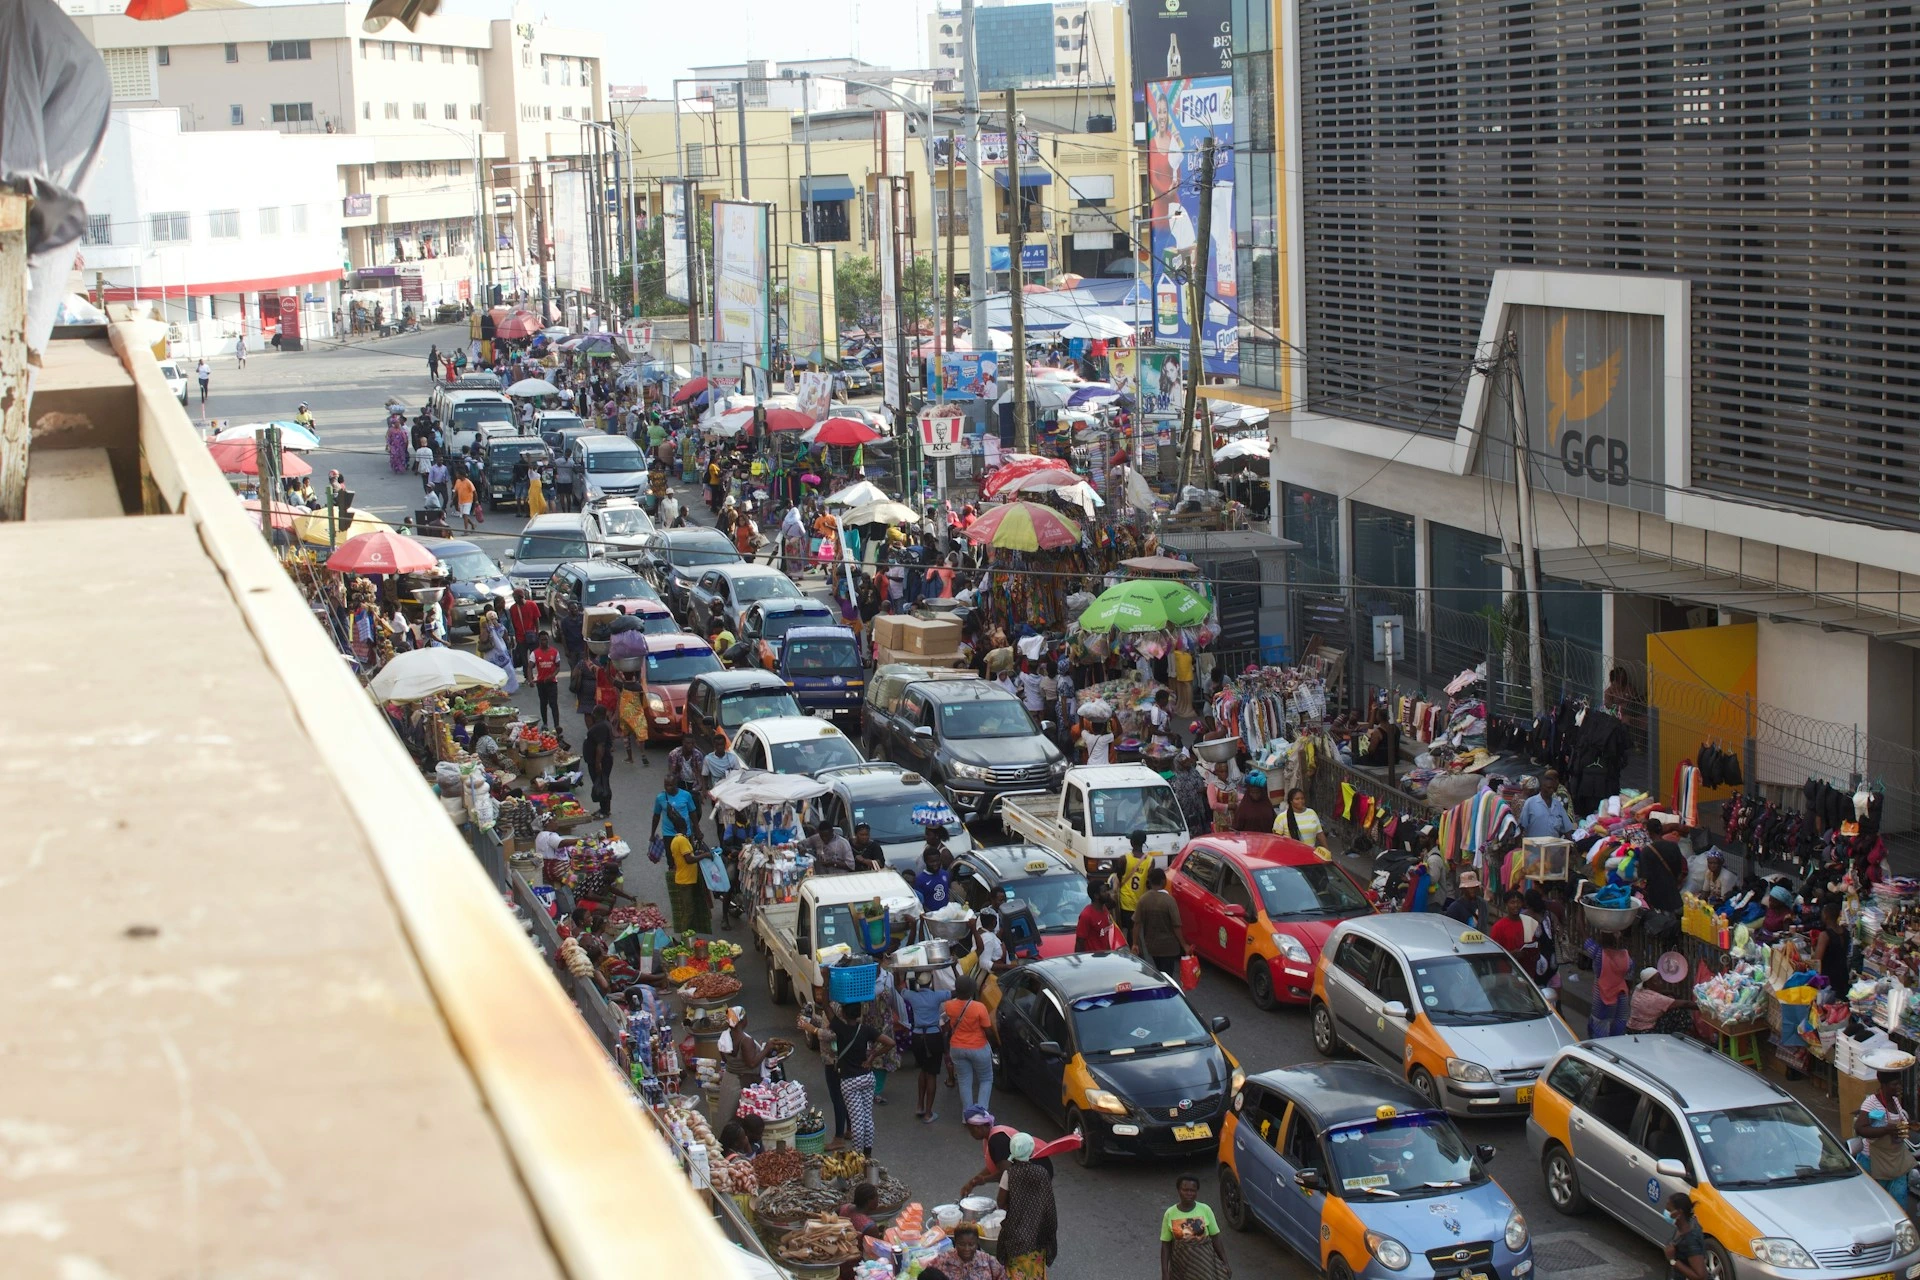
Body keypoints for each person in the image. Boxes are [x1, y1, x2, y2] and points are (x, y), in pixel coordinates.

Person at [808, 1000, 892, 1157]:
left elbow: (826, 1006)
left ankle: (857, 1156)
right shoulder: (866, 1030)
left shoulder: (840, 1029)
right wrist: (872, 1057)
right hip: (867, 1078)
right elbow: (890, 1043)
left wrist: (826, 980)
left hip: (850, 1081)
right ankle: (867, 1154)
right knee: (867, 1118)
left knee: (857, 1122)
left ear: (844, 1014)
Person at [996, 1134, 1060, 1279]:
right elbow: (1048, 1203)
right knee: (1035, 1272)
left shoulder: (1009, 1174)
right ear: (1031, 1151)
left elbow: (1000, 1202)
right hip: (1038, 1233)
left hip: (1015, 1235)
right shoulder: (1042, 1173)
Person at [1857, 1068, 1915, 1209]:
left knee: (1898, 1202)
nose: (1898, 1087)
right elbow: (1860, 1128)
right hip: (1874, 1161)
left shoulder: (1895, 1101)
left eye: (1899, 1083)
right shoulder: (1871, 1103)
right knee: (1875, 1204)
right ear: (1883, 1085)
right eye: (1894, 1084)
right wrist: (1886, 1129)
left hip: (1895, 1159)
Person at [898, 969, 948, 1123]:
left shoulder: (912, 996)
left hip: (918, 1037)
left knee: (923, 1070)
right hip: (933, 1036)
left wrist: (899, 971)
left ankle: (919, 1105)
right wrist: (953, 967)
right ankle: (928, 1113)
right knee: (931, 1074)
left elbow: (898, 986)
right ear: (931, 982)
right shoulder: (937, 996)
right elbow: (961, 989)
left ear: (918, 982)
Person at [1161, 1174, 1231, 1280]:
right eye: (1185, 1190)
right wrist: (1165, 1273)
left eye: (1192, 1190)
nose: (1189, 1193)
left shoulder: (1205, 1209)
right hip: (1181, 1267)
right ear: (1178, 1190)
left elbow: (1216, 1238)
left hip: (1205, 1266)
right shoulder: (1170, 1213)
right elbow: (1166, 1245)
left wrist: (1225, 1263)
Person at [944, 975, 996, 1116]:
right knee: (985, 1079)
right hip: (978, 1047)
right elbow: (988, 1029)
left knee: (964, 1080)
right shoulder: (980, 1008)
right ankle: (981, 1114)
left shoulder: (949, 1006)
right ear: (972, 990)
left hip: (957, 1048)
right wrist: (994, 1044)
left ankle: (967, 1115)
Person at [1132, 867, 1191, 981]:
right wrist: (1184, 945)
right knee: (1168, 976)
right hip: (1169, 947)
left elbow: (1137, 924)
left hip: (1152, 946)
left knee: (1157, 973)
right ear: (1164, 881)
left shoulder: (1143, 900)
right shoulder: (1169, 901)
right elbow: (1176, 926)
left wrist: (1135, 943)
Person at [1587, 929, 1633, 1037]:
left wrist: (1580, 917)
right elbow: (1629, 981)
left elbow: (1584, 935)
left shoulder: (1598, 954)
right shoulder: (1627, 957)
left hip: (1602, 999)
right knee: (1619, 1029)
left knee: (1599, 1030)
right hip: (1621, 998)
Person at [1115, 830, 1154, 935]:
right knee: (1136, 931)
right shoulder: (1150, 861)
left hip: (1125, 903)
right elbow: (1149, 884)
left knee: (1125, 930)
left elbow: (1118, 878)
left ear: (1131, 842)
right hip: (1140, 903)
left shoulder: (1124, 859)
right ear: (1143, 843)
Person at [1274, 788, 1330, 857]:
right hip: (1291, 857)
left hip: (1311, 855)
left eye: (1302, 798)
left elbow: (1319, 834)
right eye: (1297, 799)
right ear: (1291, 801)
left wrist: (1327, 851)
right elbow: (1277, 841)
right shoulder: (1282, 817)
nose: (1300, 801)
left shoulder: (1311, 813)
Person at [1519, 770, 1575, 839]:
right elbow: (1521, 826)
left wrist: (1571, 843)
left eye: (1553, 788)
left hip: (1553, 847)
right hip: (1534, 847)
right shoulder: (1530, 803)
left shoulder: (1557, 805)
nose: (1551, 791)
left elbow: (1567, 829)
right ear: (1542, 787)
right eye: (1548, 788)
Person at [651, 773, 700, 852]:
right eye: (665, 785)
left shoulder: (686, 795)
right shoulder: (660, 798)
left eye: (670, 785)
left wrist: (697, 830)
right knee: (671, 861)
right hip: (668, 834)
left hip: (685, 833)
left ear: (675, 784)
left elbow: (692, 813)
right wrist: (652, 834)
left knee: (687, 858)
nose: (667, 788)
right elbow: (656, 816)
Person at [1664, 1193, 1708, 1280]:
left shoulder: (1690, 1240)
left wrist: (1673, 1260)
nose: (1666, 1211)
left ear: (1679, 1213)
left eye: (1669, 1210)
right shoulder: (1685, 1223)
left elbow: (1700, 1276)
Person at [943, 1223, 1008, 1280]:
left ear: (977, 1242)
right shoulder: (943, 1260)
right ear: (956, 1242)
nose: (966, 1249)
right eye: (962, 1244)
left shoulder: (988, 1261)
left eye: (971, 1244)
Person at [1813, 899, 1852, 994]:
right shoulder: (1845, 932)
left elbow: (1817, 960)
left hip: (1829, 976)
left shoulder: (1825, 935)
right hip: (1843, 973)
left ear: (1825, 916)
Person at [582, 705, 614, 817]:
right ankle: (603, 808)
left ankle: (604, 811)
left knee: (601, 785)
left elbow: (601, 746)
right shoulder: (603, 724)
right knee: (600, 783)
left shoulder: (601, 726)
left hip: (601, 761)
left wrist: (597, 763)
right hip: (600, 760)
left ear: (596, 714)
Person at [1074, 882, 1120, 953]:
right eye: (1104, 891)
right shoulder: (1086, 915)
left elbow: (1113, 903)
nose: (1107, 893)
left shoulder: (1104, 909)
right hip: (1093, 960)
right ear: (1096, 895)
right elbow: (1080, 942)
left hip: (1106, 957)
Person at [1488, 889, 1528, 955]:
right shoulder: (1498, 927)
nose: (1516, 905)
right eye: (1512, 902)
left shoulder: (1527, 923)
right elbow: (1494, 951)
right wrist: (1511, 954)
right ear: (1506, 904)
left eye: (1518, 902)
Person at [914, 844, 953, 911]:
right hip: (931, 917)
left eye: (937, 861)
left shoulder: (945, 874)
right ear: (926, 861)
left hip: (946, 914)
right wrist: (932, 915)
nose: (935, 864)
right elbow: (920, 903)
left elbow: (948, 893)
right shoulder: (920, 880)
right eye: (932, 862)